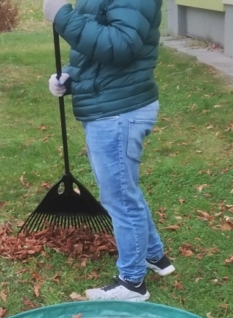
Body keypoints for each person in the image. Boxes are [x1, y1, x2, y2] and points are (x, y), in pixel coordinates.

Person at [43, 0, 175, 301]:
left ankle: (132, 283)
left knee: (119, 198)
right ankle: (155, 255)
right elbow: (94, 51)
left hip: (119, 110)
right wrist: (69, 76)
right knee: (122, 190)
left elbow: (119, 46)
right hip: (110, 105)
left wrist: (63, 17)